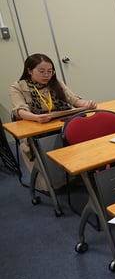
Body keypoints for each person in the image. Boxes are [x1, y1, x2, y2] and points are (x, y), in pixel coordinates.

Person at [9, 53, 97, 190]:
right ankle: (60, 180)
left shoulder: (55, 83)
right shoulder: (18, 87)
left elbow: (73, 99)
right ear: (29, 71)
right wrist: (36, 117)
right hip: (39, 130)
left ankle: (86, 173)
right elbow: (20, 110)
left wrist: (86, 103)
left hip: (63, 125)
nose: (47, 75)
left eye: (50, 71)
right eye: (42, 71)